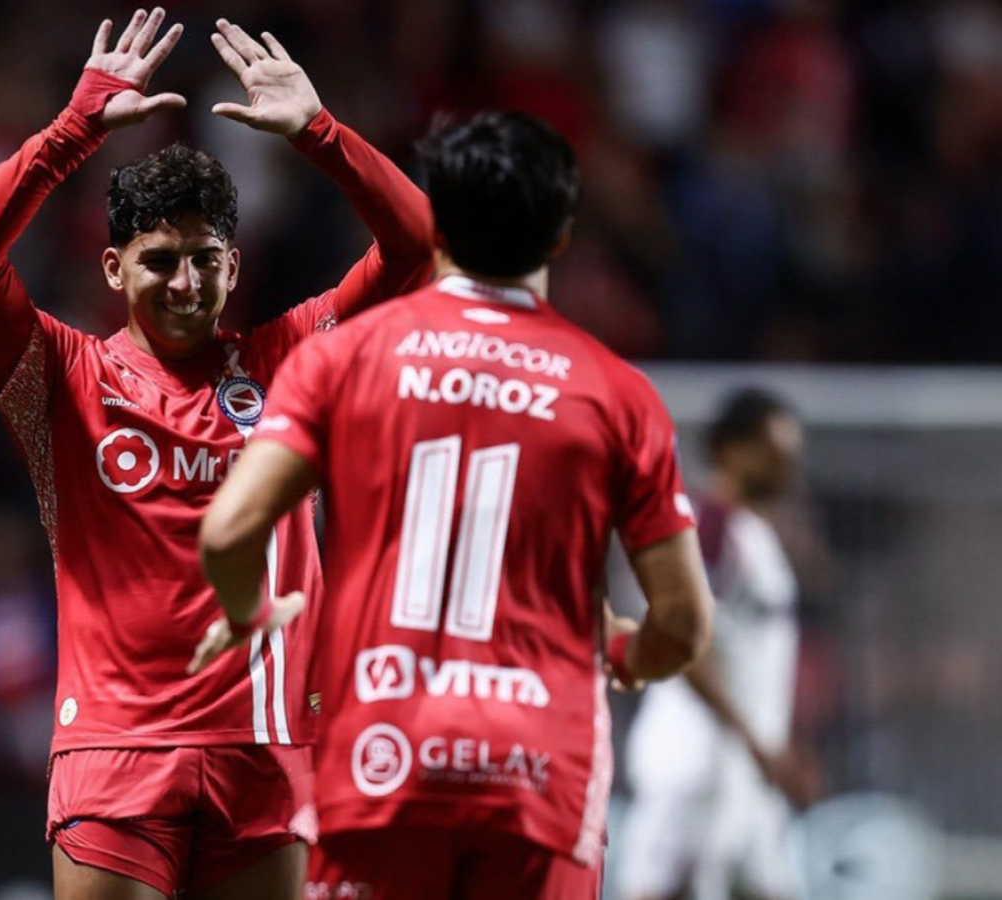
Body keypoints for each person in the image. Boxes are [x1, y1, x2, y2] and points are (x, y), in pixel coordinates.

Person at [0, 9, 434, 900]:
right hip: (116, 752)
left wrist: (320, 134)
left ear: (234, 267)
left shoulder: (293, 360)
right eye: (160, 260)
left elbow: (417, 246)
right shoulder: (62, 376)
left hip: (266, 748)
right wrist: (72, 132)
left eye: (206, 259)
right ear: (114, 268)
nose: (186, 283)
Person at [192, 111, 713, 900]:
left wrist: (245, 612)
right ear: (562, 236)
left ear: (437, 229)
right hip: (540, 777)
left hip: (380, 763)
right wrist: (628, 655)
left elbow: (230, 531)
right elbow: (684, 624)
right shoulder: (617, 393)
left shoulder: (342, 359)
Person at [615, 388, 808, 900]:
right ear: (729, 449)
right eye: (773, 449)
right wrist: (752, 737)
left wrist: (770, 742)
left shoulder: (754, 533)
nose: (788, 464)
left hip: (744, 762)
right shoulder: (708, 527)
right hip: (694, 756)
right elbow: (681, 638)